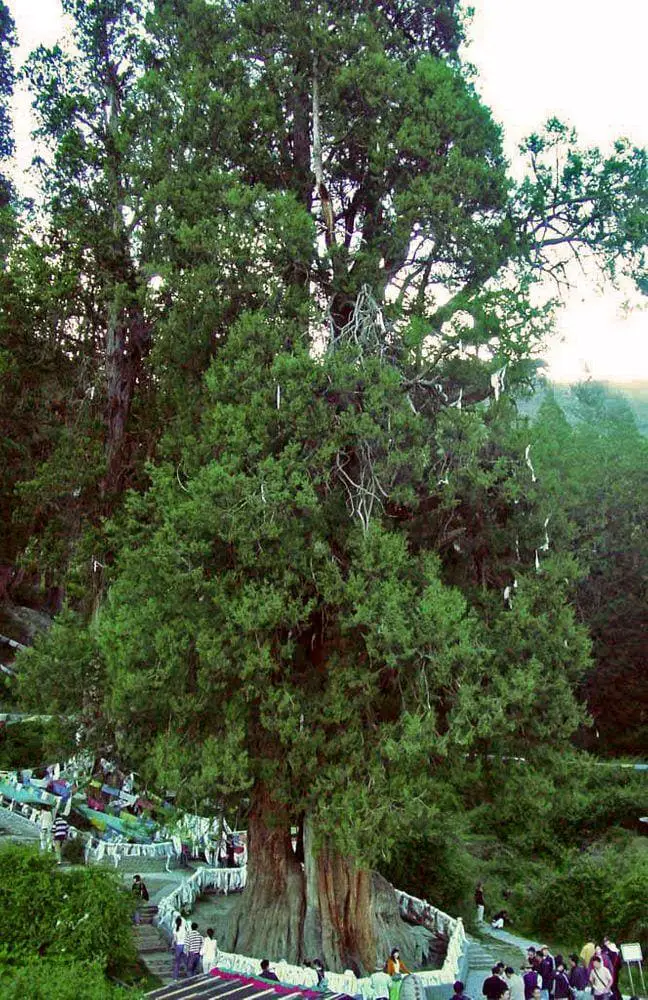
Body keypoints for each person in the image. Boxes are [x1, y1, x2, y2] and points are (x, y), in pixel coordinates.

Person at [172, 915, 188, 980]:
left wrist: (173, 945)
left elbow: (174, 940)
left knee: (177, 962)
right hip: (184, 946)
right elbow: (187, 938)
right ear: (181, 922)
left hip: (178, 946)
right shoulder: (184, 929)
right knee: (186, 961)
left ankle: (175, 977)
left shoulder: (175, 929)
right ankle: (189, 976)